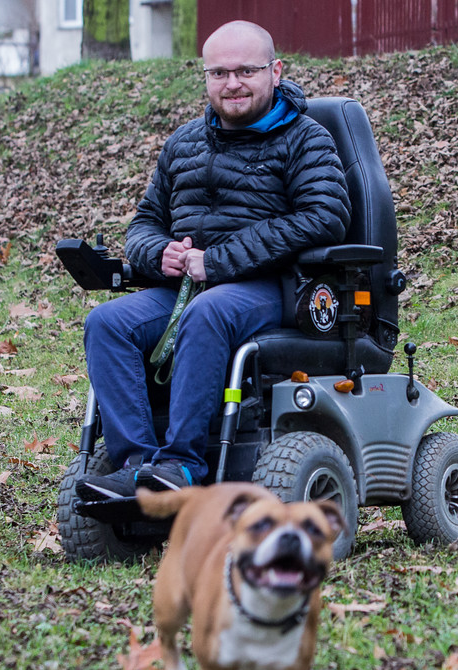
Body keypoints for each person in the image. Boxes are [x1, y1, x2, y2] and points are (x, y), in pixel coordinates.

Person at [77, 20, 352, 501]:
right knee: (107, 322)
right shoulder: (183, 143)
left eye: (246, 70)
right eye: (220, 73)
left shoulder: (306, 138)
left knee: (209, 312)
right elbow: (144, 222)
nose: (233, 84)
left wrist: (219, 261)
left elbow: (325, 216)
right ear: (205, 77)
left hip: (272, 288)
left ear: (276, 71)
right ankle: (138, 467)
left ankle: (182, 465)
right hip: (184, 287)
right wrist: (157, 253)